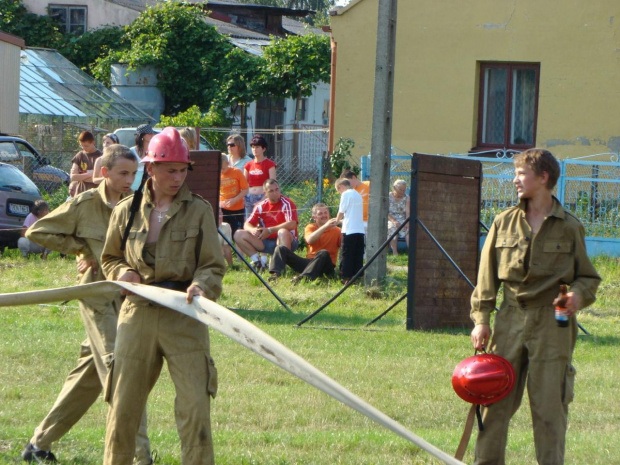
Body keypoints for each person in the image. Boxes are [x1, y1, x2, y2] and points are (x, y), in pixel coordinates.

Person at [101, 127, 225, 465]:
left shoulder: (199, 211)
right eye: (170, 169)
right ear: (150, 168)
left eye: (182, 169)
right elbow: (110, 257)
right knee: (123, 407)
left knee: (195, 408)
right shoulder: (126, 211)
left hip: (184, 315)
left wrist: (201, 287)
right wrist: (121, 273)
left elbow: (213, 265)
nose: (177, 176)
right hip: (137, 313)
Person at [22, 145, 152, 464]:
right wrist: (81, 248)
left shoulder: (137, 206)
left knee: (90, 375)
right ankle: (140, 456)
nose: (129, 180)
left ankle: (39, 444)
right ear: (104, 173)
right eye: (123, 173)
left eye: (133, 175)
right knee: (120, 368)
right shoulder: (83, 204)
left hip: (127, 298)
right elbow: (39, 230)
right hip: (95, 296)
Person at [469, 148, 601, 465]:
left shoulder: (569, 227)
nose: (515, 179)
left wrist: (576, 298)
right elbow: (486, 277)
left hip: (552, 324)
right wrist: (481, 320)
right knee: (494, 402)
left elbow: (588, 277)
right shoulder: (504, 222)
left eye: (521, 174)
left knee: (549, 408)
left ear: (543, 178)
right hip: (509, 318)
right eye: (515, 173)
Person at [234, 179, 298, 272]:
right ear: (265, 193)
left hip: (286, 240)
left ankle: (280, 267)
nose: (275, 192)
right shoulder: (260, 206)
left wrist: (270, 230)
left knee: (282, 232)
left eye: (277, 189)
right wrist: (252, 230)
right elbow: (247, 224)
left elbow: (292, 223)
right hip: (266, 240)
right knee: (238, 234)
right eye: (271, 191)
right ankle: (258, 263)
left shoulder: (287, 203)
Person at [268, 203, 341, 284]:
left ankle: (305, 277)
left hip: (326, 265)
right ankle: (276, 274)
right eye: (320, 213)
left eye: (325, 213)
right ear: (314, 217)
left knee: (323, 252)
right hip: (309, 262)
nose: (324, 215)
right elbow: (309, 240)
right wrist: (324, 227)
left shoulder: (337, 230)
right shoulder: (310, 227)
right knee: (280, 248)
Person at [335, 178, 365, 283]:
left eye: (338, 191)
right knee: (357, 254)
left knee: (346, 254)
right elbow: (352, 213)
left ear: (340, 187)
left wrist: (337, 220)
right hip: (359, 230)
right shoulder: (357, 194)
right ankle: (357, 275)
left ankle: (345, 276)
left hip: (349, 230)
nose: (339, 193)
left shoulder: (346, 194)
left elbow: (341, 210)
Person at [243, 134, 276, 218]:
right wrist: (244, 198)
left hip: (263, 196)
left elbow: (273, 183)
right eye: (253, 147)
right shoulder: (248, 165)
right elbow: (243, 184)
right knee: (249, 221)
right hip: (249, 197)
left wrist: (263, 199)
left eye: (257, 147)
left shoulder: (270, 164)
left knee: (263, 221)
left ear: (263, 149)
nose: (255, 149)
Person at [220, 153, 248, 236]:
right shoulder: (217, 173)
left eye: (223, 168)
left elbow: (245, 189)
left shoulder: (237, 172)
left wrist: (234, 200)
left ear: (228, 163)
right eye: (220, 169)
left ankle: (237, 248)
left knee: (237, 233)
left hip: (237, 209)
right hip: (223, 209)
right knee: (224, 234)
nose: (222, 171)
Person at [69, 130, 102, 197]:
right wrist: (90, 174)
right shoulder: (80, 155)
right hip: (80, 193)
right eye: (82, 146)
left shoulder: (101, 156)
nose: (84, 148)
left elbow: (99, 178)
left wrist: (81, 176)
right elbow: (73, 177)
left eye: (86, 146)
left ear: (93, 142)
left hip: (95, 194)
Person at [130, 124, 158, 192]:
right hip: (132, 187)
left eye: (153, 133)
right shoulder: (131, 151)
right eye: (149, 133)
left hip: (148, 188)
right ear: (142, 136)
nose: (152, 135)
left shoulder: (155, 151)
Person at [387, 179, 410, 255]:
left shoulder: (407, 198)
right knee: (392, 227)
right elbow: (385, 212)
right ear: (394, 188)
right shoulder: (388, 196)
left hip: (403, 219)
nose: (402, 192)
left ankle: (411, 252)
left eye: (404, 190)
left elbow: (408, 212)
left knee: (409, 229)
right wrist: (394, 221)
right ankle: (395, 252)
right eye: (400, 189)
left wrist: (407, 222)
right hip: (390, 219)